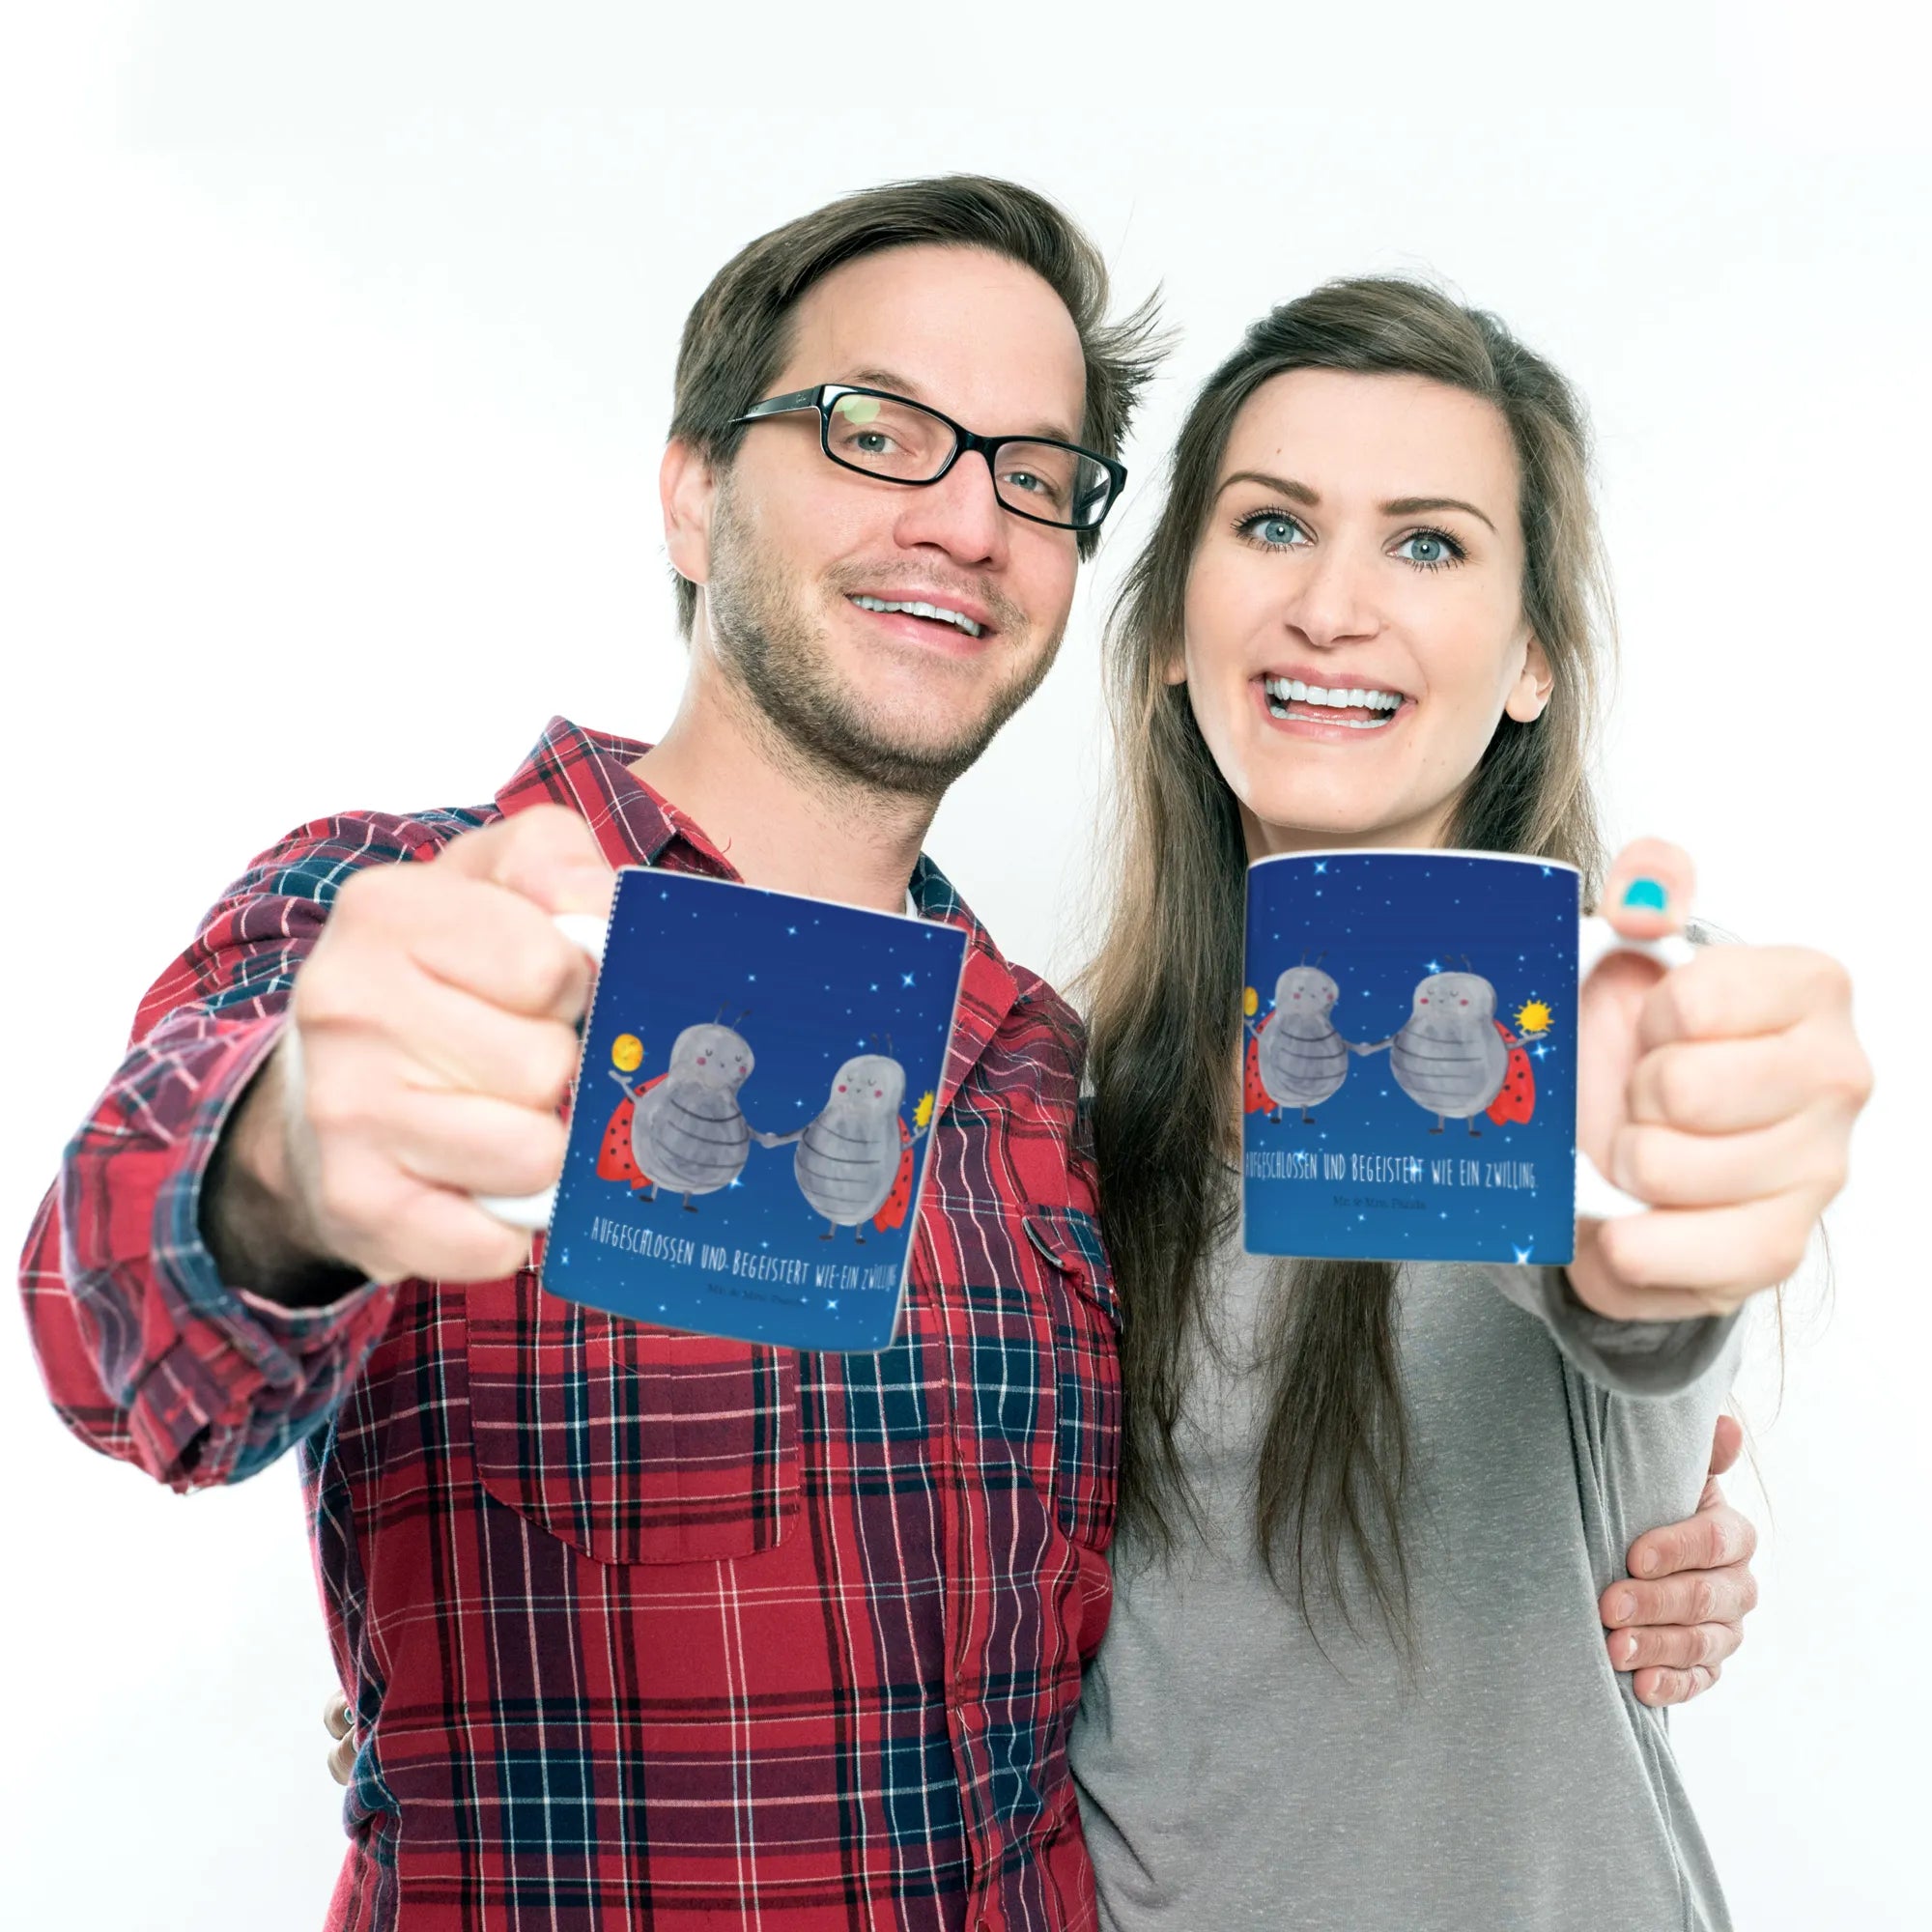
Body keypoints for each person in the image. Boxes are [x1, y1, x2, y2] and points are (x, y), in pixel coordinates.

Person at [21, 179, 1766, 1931]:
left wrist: (1634, 1473)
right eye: (878, 432)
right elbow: (116, 1327)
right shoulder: (408, 920)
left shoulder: (1047, 1085)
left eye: (1033, 474)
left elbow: (1285, 1557)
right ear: (693, 490)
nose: (964, 518)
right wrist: (286, 1166)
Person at [1068, 278, 1872, 1929]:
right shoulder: (1066, 1096)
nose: (1333, 607)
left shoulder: (1603, 1029)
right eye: (1273, 525)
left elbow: (1637, 1290)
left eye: (1427, 544)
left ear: (1530, 662)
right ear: (1166, 628)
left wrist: (1669, 1208)